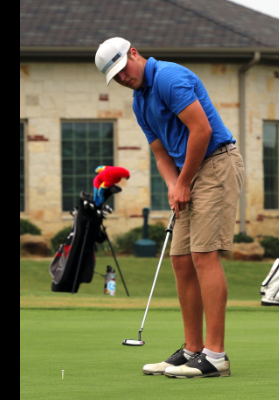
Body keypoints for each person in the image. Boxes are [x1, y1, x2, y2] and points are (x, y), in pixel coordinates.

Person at [95, 37, 245, 379]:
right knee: (180, 258)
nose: (122, 78)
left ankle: (215, 355)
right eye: (114, 76)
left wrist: (183, 181)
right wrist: (172, 184)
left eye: (122, 69)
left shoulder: (168, 78)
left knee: (205, 255)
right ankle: (192, 350)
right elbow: (161, 154)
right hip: (188, 175)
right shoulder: (139, 101)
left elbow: (202, 130)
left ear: (134, 53)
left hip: (215, 164)